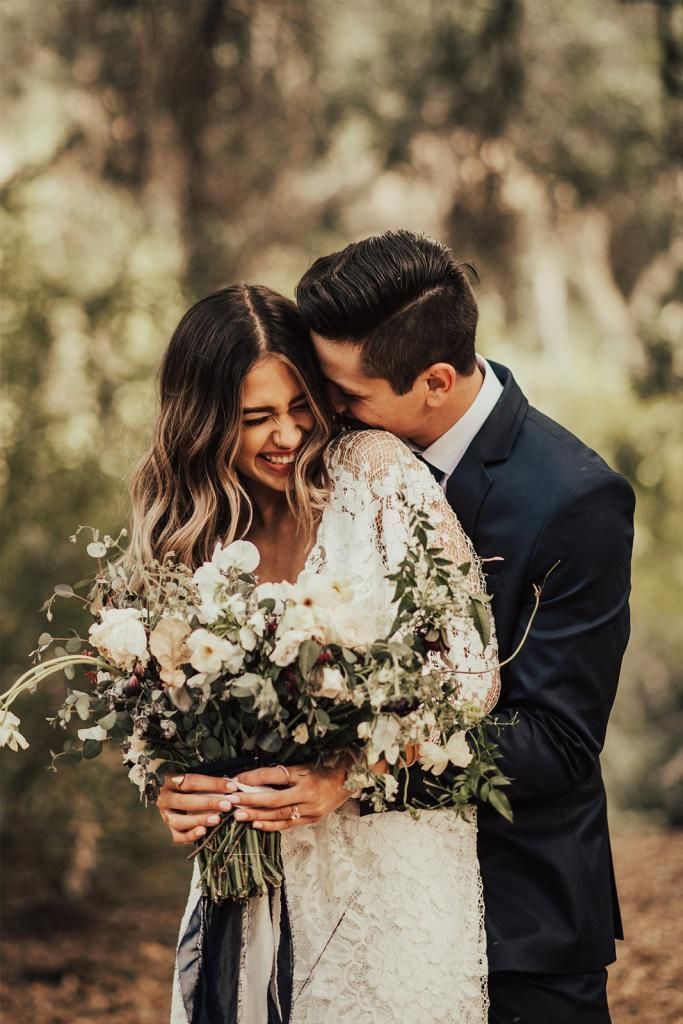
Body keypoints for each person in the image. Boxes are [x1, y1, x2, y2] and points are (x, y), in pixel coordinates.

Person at [238, 228, 630, 1024]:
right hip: (344, 916)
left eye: (343, 394)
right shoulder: (324, 457)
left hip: (519, 919)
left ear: (434, 380)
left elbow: (555, 740)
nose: (323, 413)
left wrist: (355, 776)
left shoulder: (573, 498)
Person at [139, 284, 500, 1023]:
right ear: (204, 422)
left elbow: (468, 675)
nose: (287, 435)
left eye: (300, 405)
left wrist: (349, 774)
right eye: (255, 418)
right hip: (246, 878)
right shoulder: (181, 523)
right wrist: (168, 785)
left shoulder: (374, 474)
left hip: (384, 869)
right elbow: (152, 695)